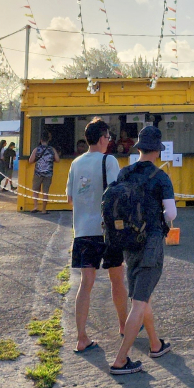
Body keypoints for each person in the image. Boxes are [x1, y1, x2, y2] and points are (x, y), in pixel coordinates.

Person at [108, 125, 176, 376]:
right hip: (151, 242)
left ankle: (155, 344)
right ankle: (120, 359)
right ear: (157, 151)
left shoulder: (124, 173)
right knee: (139, 301)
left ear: (138, 148)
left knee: (140, 294)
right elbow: (171, 214)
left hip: (128, 242)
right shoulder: (161, 177)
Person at [66, 118, 129, 353]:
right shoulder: (109, 160)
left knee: (85, 284)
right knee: (116, 280)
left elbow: (70, 198)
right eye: (109, 138)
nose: (109, 142)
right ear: (103, 138)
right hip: (107, 231)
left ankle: (81, 337)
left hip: (82, 231)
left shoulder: (75, 163)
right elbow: (117, 194)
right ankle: (124, 326)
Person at [28, 131, 58, 213]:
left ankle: (35, 206)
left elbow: (30, 160)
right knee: (45, 192)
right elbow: (58, 160)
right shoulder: (52, 149)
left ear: (41, 140)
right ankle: (44, 209)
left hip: (38, 173)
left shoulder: (36, 149)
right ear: (49, 140)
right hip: (48, 174)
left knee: (35, 191)